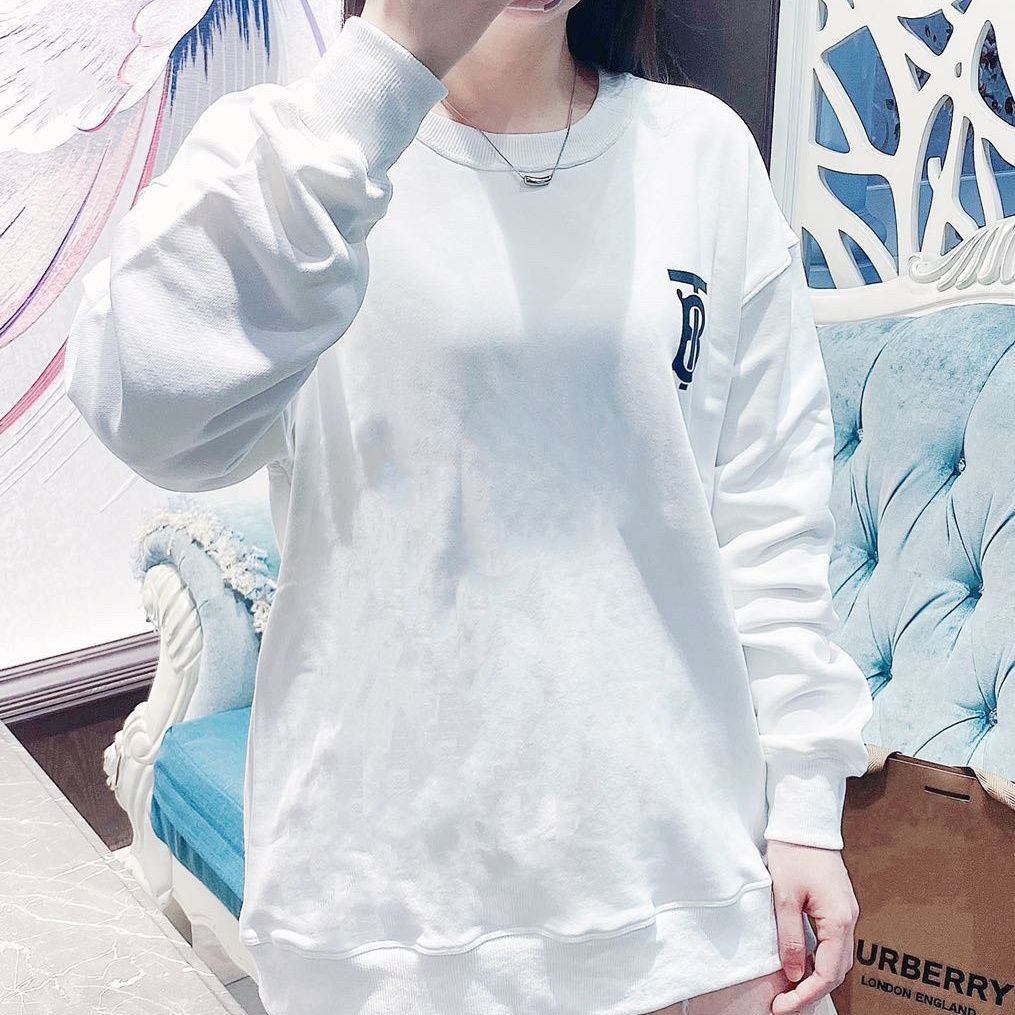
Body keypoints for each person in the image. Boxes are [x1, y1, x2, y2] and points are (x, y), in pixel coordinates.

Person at [63, 0, 875, 1012]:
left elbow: (769, 518)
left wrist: (804, 805)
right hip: (386, 913)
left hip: (685, 897)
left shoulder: (699, 154)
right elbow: (140, 401)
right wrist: (392, 59)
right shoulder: (307, 153)